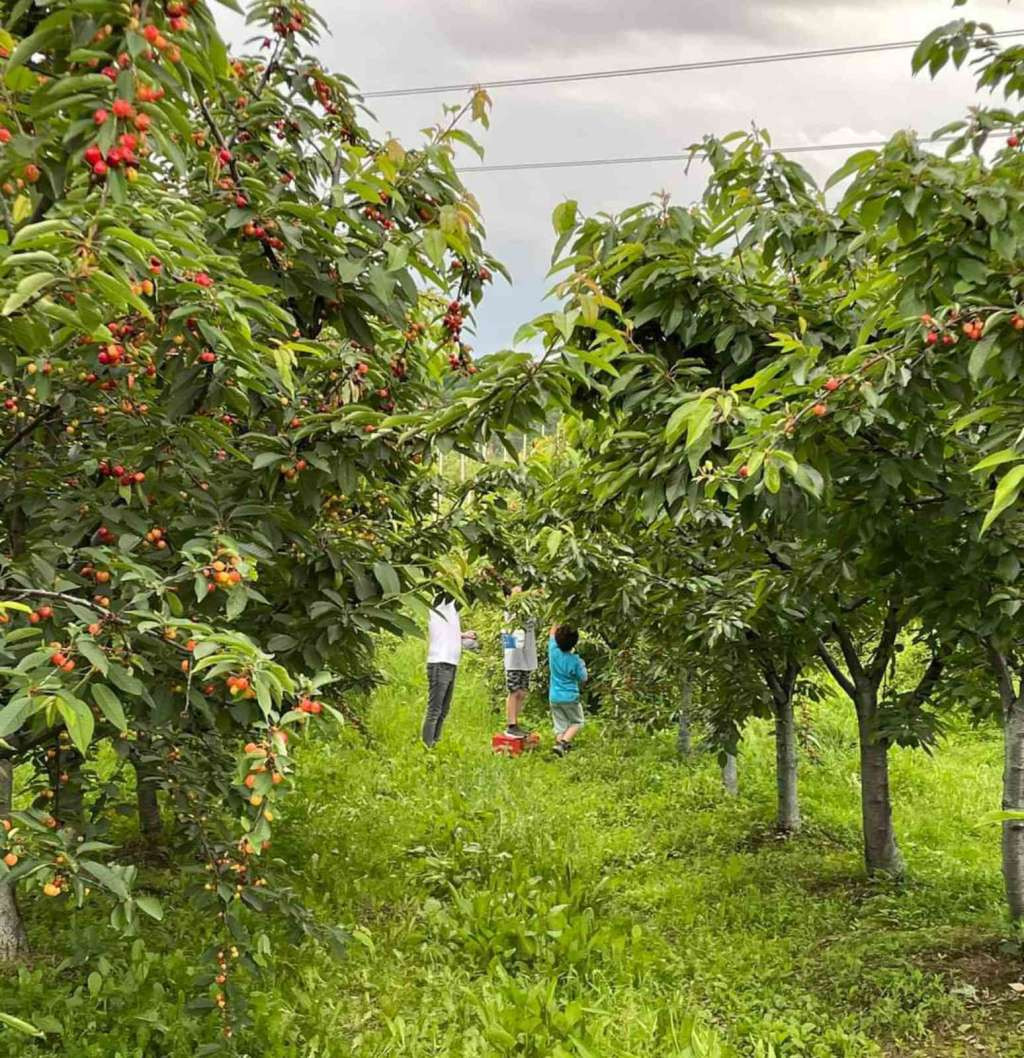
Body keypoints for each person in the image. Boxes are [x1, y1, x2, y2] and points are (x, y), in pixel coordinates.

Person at [422, 594, 476, 747]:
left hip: (451, 662)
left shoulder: (452, 608)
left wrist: (463, 635)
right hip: (440, 662)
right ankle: (427, 746)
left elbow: (447, 630)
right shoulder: (439, 603)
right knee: (435, 709)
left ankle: (435, 742)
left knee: (444, 709)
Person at [502, 588, 537, 738]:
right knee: (514, 691)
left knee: (522, 692)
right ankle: (511, 724)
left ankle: (516, 723)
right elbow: (508, 639)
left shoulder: (528, 610)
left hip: (526, 657)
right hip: (514, 657)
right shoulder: (510, 609)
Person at [548, 624, 587, 756]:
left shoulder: (553, 651)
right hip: (570, 697)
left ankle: (560, 748)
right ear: (575, 642)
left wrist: (556, 617)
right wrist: (582, 666)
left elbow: (552, 633)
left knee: (560, 725)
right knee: (577, 722)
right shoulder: (576, 661)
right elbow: (583, 678)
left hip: (554, 696)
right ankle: (563, 743)